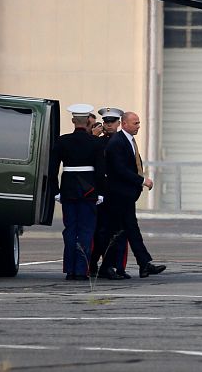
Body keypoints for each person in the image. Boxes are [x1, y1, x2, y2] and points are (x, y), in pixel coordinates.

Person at [103, 111, 166, 278]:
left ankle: (143, 264)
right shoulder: (117, 142)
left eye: (138, 123)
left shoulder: (128, 140)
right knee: (115, 231)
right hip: (117, 195)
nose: (138, 126)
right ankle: (106, 266)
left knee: (130, 229)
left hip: (126, 195)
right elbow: (119, 169)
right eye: (135, 123)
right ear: (124, 124)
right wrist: (141, 180)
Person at [50, 103, 106, 280]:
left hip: (68, 190)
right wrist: (101, 192)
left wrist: (56, 191)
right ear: (89, 122)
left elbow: (52, 169)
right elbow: (100, 170)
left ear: (73, 120)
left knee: (70, 230)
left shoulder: (62, 141)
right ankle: (82, 270)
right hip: (89, 191)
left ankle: (70, 270)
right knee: (86, 231)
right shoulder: (96, 143)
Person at [89, 107, 131, 280]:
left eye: (112, 122)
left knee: (120, 232)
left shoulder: (124, 142)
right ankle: (95, 264)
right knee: (101, 232)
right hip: (102, 194)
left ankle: (117, 266)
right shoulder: (98, 142)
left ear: (118, 123)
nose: (108, 125)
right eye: (106, 122)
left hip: (119, 193)